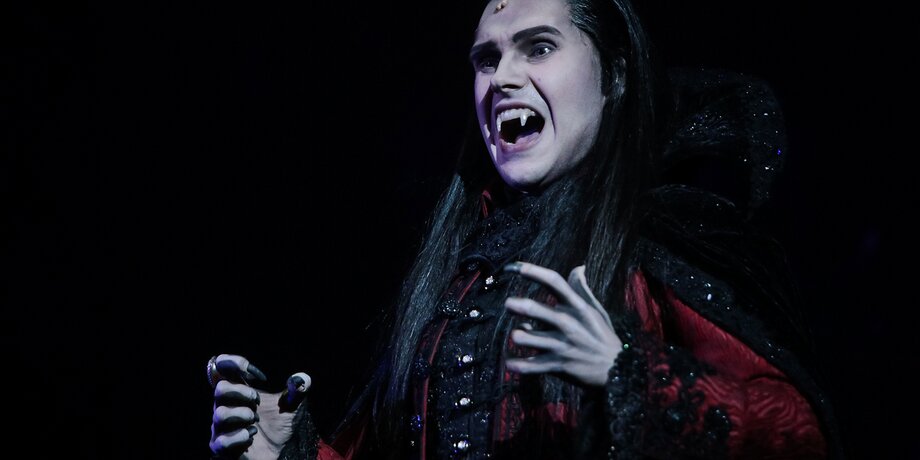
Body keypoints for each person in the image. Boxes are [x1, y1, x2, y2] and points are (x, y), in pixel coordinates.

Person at [207, 0, 842, 458]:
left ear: (616, 74)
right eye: (487, 58)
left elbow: (797, 436)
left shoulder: (664, 237)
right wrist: (289, 450)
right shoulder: (457, 273)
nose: (502, 77)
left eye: (538, 47)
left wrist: (630, 375)